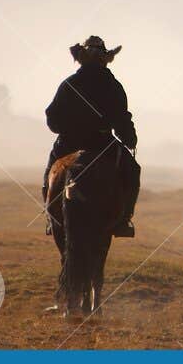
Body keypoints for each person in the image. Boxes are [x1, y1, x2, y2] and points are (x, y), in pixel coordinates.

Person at [44, 35, 140, 238]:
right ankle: (123, 220)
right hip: (102, 144)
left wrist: (67, 128)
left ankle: (51, 218)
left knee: (49, 176)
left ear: (81, 58)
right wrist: (130, 138)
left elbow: (52, 118)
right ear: (104, 59)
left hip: (68, 143)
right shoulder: (113, 85)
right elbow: (121, 118)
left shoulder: (68, 84)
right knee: (132, 171)